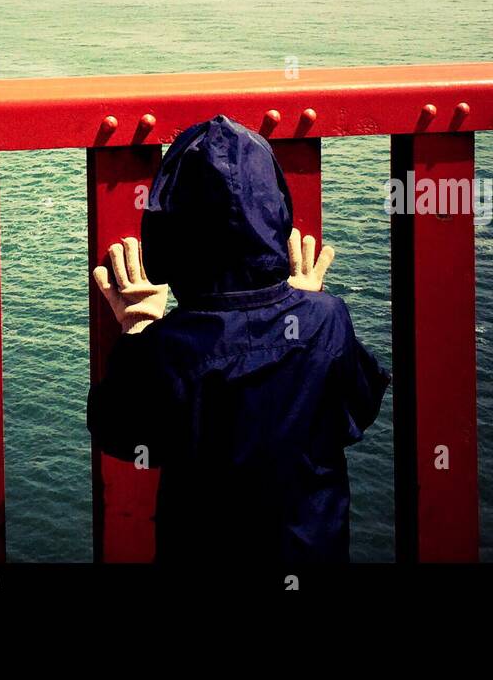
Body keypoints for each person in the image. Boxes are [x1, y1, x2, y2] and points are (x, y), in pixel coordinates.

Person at [87, 113, 389, 565]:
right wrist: (303, 308)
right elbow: (358, 409)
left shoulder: (167, 348)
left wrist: (139, 329)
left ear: (166, 231)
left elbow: (119, 434)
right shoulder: (327, 320)